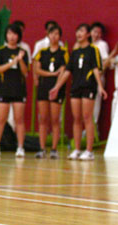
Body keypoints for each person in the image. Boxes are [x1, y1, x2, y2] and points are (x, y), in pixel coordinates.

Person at [50, 23, 107, 161]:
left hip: (88, 87)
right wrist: (56, 87)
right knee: (76, 119)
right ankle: (77, 149)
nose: (78, 34)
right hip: (76, 87)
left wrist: (100, 86)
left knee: (87, 118)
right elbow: (67, 71)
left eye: (81, 31)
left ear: (88, 34)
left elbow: (96, 69)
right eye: (77, 31)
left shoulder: (93, 50)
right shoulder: (74, 52)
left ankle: (89, 150)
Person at [0, 24, 29, 158]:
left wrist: (20, 60)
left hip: (19, 90)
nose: (12, 36)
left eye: (14, 34)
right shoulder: (1, 51)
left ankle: (20, 148)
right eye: (9, 34)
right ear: (6, 35)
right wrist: (13, 61)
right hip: (4, 89)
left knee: (19, 120)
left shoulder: (23, 52)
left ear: (19, 36)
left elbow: (25, 72)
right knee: (1, 119)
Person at [34, 25, 68, 159]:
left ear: (60, 37)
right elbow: (37, 69)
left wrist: (57, 85)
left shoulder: (63, 52)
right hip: (43, 87)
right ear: (47, 35)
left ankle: (54, 149)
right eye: (51, 34)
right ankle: (42, 148)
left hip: (57, 88)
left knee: (55, 119)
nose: (54, 36)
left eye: (57, 34)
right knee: (43, 119)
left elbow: (64, 70)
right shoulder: (42, 52)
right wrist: (51, 73)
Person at [32, 20, 63, 87]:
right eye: (51, 31)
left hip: (57, 77)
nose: (53, 35)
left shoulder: (61, 45)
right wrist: (35, 78)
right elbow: (35, 61)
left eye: (56, 32)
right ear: (46, 31)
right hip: (43, 77)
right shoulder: (40, 44)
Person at [90, 22, 109, 125]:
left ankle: (93, 130)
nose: (96, 35)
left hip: (97, 80)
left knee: (95, 105)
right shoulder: (87, 44)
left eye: (99, 33)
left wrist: (99, 74)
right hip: (86, 79)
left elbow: (106, 61)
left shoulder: (102, 45)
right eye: (94, 32)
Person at [104, 42, 118, 122]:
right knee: (114, 122)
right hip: (117, 93)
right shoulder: (116, 57)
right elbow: (103, 66)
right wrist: (114, 52)